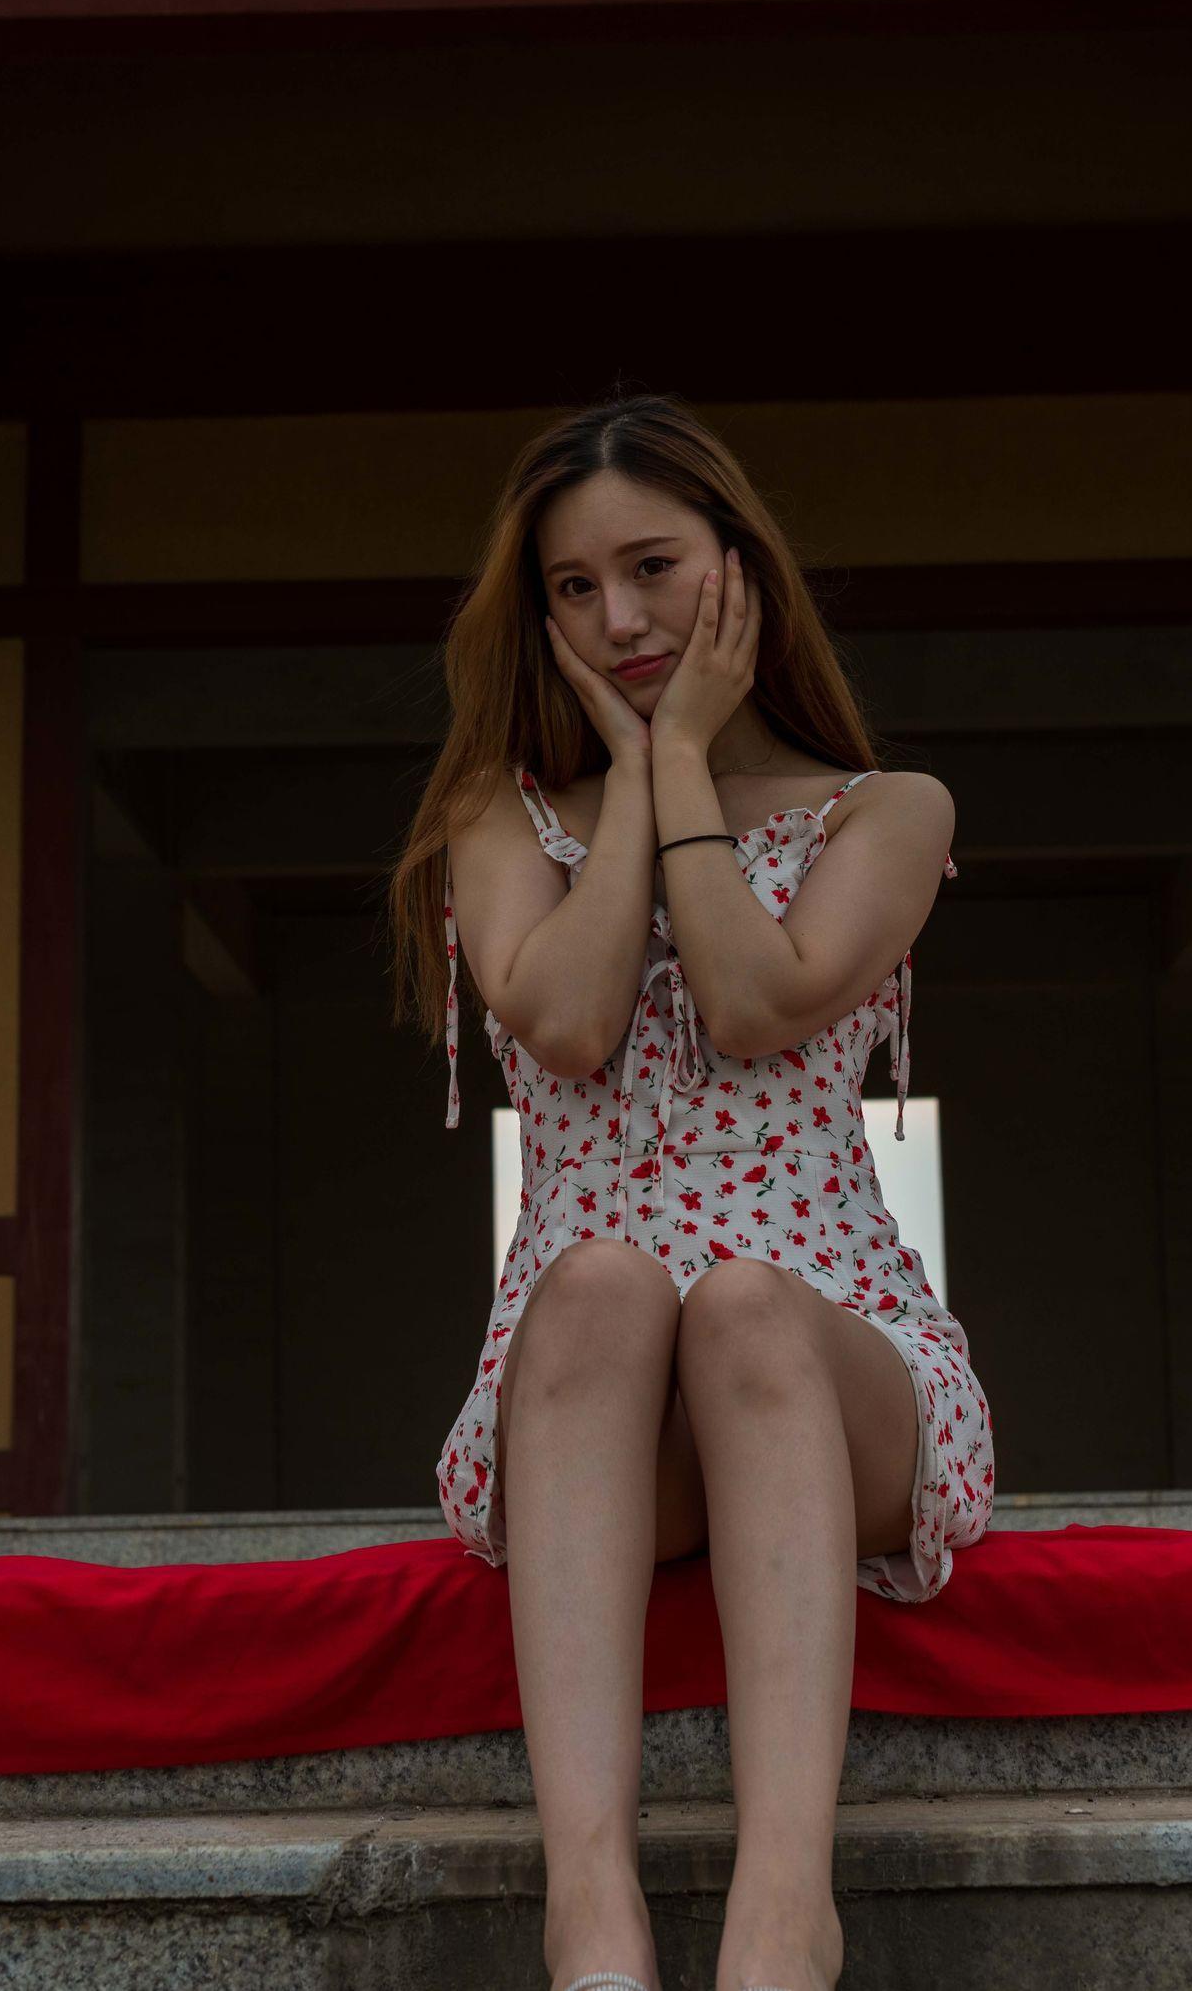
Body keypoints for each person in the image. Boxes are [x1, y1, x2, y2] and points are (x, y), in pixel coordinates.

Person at [389, 392, 994, 1991]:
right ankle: (589, 1911)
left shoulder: (888, 809)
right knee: (602, 1279)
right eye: (574, 587)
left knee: (737, 1303)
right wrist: (642, 776)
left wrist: (679, 774)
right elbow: (573, 1023)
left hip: (829, 1359)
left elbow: (749, 995)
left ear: (739, 566)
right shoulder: (499, 818)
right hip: (587, 1397)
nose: (621, 617)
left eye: (652, 566)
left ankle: (786, 1916)